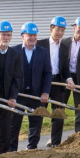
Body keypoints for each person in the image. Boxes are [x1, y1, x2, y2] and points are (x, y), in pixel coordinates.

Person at [10, 22, 52, 151]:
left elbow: (47, 73)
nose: (33, 37)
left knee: (35, 122)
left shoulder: (43, 52)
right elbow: (9, 74)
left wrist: (45, 92)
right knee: (14, 123)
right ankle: (12, 151)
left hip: (36, 94)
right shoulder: (14, 51)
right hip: (18, 95)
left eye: (35, 35)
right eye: (30, 35)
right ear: (23, 36)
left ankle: (32, 148)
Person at [0, 21, 22, 154]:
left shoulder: (15, 55)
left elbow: (16, 78)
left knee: (6, 128)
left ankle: (4, 155)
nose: (6, 37)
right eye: (3, 34)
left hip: (6, 96)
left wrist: (13, 97)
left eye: (9, 35)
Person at [37, 16, 71, 147]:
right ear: (51, 28)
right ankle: (33, 143)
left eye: (63, 30)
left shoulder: (64, 47)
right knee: (39, 112)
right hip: (42, 83)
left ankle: (55, 142)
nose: (60, 33)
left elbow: (65, 67)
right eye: (58, 30)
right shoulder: (41, 44)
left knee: (58, 113)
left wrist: (69, 79)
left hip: (58, 82)